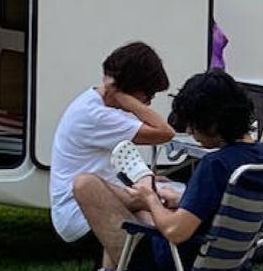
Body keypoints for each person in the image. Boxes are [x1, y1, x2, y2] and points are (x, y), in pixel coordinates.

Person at [45, 68, 263, 271]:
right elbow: (219, 208)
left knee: (86, 186)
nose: (190, 131)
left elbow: (176, 231)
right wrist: (180, 200)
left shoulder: (214, 165)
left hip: (177, 267)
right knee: (127, 213)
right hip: (230, 265)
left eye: (193, 124)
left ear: (214, 122)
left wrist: (149, 199)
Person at [46, 42, 175, 248]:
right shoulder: (96, 115)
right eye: (147, 96)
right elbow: (165, 132)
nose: (147, 103)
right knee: (159, 205)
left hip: (81, 205)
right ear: (131, 88)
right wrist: (127, 100)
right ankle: (160, 264)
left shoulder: (91, 103)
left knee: (158, 196)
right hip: (79, 214)